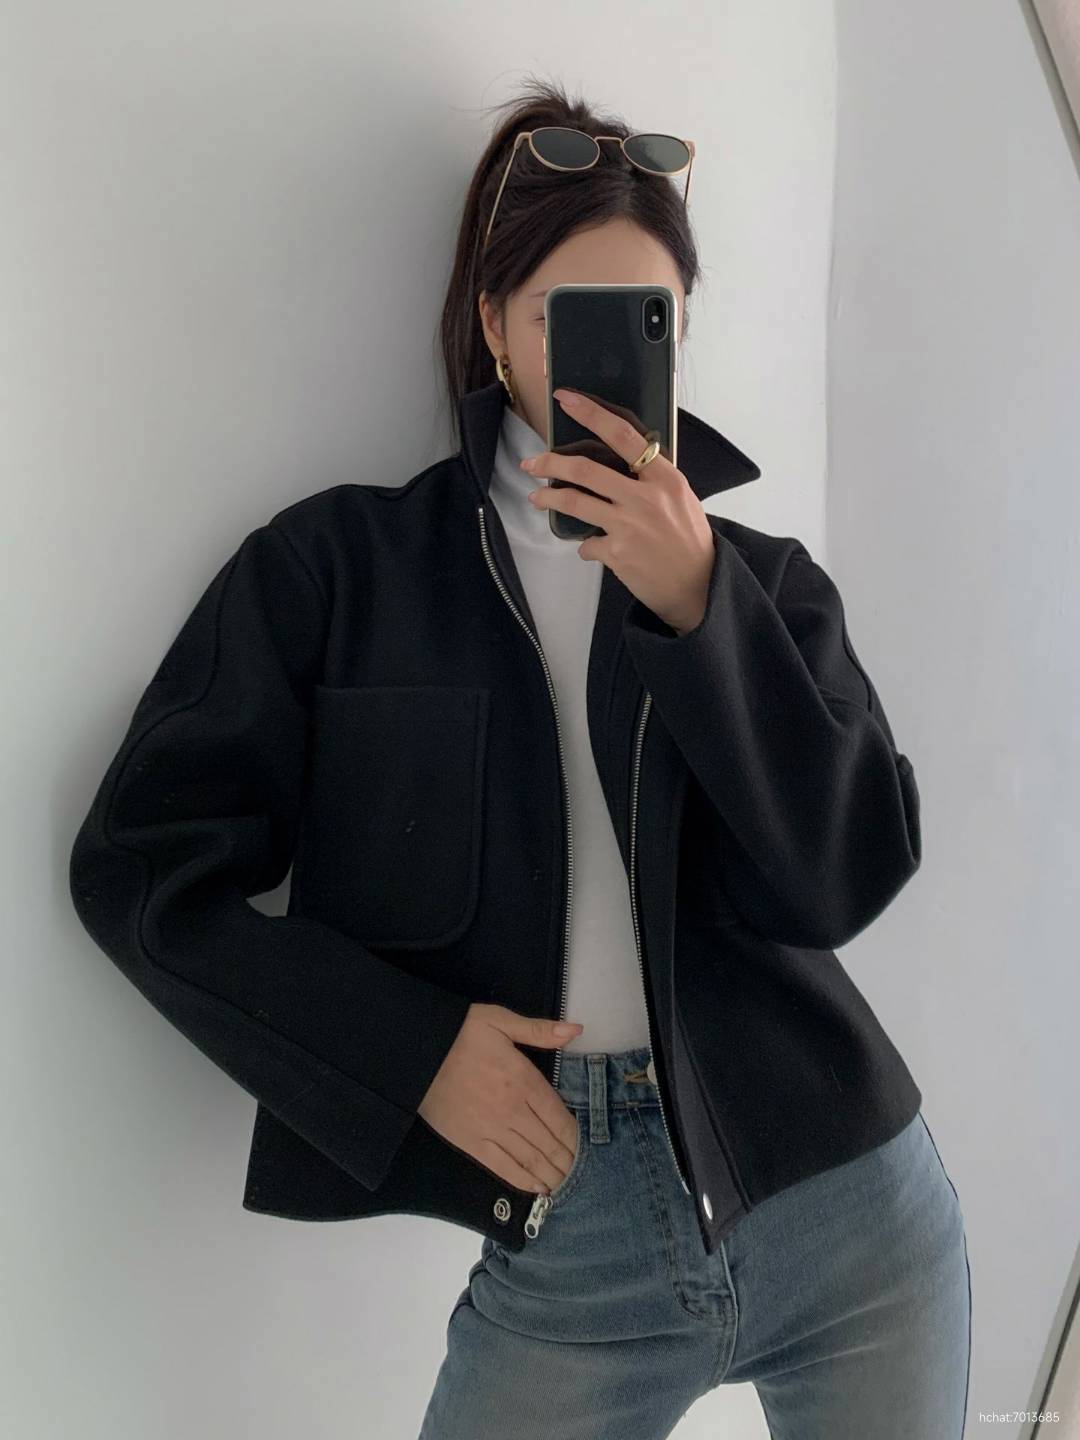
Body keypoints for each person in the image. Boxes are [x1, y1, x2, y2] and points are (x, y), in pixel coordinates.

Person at [69, 77, 971, 1439]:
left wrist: (703, 613)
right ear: (493, 324)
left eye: (647, 319)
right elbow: (140, 874)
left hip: (852, 1207)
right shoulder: (338, 574)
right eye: (564, 316)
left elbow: (842, 881)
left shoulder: (764, 587)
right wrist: (410, 1053)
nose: (604, 364)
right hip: (570, 1229)